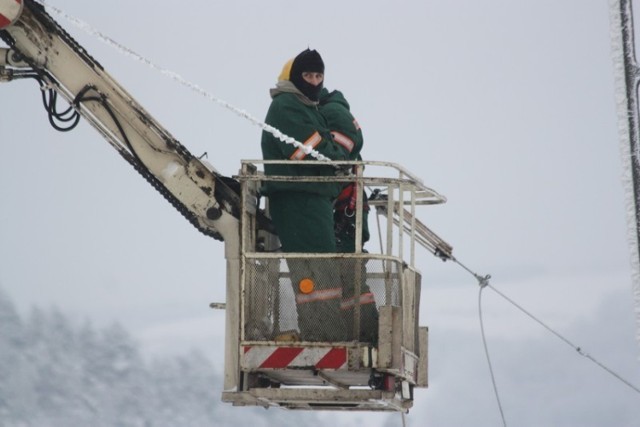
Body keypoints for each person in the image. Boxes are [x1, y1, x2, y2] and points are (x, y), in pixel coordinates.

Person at [261, 48, 349, 342]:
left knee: (321, 267)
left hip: (313, 199)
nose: (314, 81)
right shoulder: (288, 106)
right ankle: (321, 334)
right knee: (315, 268)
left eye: (318, 75)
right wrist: (336, 158)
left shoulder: (306, 105)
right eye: (308, 75)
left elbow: (325, 147)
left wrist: (332, 154)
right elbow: (314, 152)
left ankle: (324, 330)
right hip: (299, 199)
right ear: (296, 77)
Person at [319, 88, 379, 344]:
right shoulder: (333, 109)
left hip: (347, 209)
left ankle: (365, 333)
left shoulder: (330, 111)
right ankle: (359, 331)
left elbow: (343, 151)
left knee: (347, 274)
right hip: (348, 207)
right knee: (347, 274)